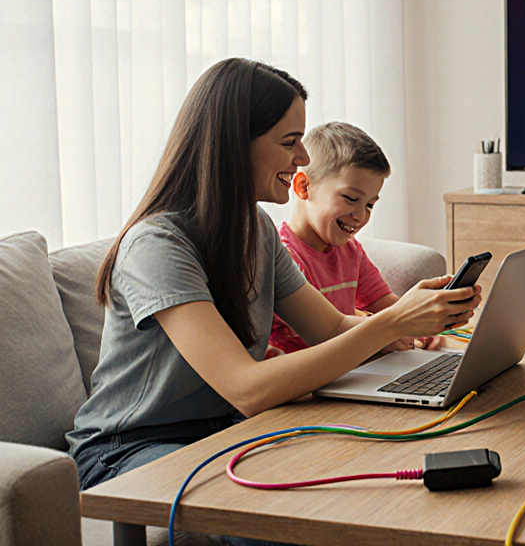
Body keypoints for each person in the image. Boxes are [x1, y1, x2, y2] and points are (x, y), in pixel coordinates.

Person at [68, 59, 480, 544]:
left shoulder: (257, 231)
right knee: (282, 528)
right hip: (127, 448)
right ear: (232, 143)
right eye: (289, 142)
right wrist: (389, 325)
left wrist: (410, 318)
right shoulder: (156, 245)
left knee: (375, 480)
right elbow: (248, 388)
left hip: (221, 430)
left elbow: (329, 329)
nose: (303, 157)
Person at [267, 121, 436, 356]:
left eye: (369, 205)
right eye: (350, 198)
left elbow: (386, 303)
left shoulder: (351, 251)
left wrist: (422, 325)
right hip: (308, 378)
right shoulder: (282, 255)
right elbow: (325, 335)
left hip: (351, 366)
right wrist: (389, 334)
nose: (360, 216)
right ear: (304, 186)